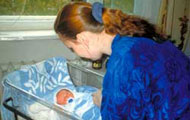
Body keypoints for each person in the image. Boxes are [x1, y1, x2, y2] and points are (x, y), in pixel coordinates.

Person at [54, 2, 190, 120]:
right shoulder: (137, 37)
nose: (75, 53)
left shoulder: (122, 60)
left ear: (83, 39)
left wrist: (103, 102)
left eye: (72, 48)